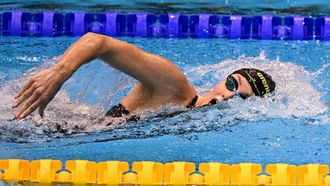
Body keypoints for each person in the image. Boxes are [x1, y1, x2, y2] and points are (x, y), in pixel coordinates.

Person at [12, 32, 276, 120]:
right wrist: (60, 73)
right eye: (232, 84)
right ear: (223, 78)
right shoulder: (175, 86)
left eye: (240, 98)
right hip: (41, 129)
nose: (226, 96)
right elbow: (97, 42)